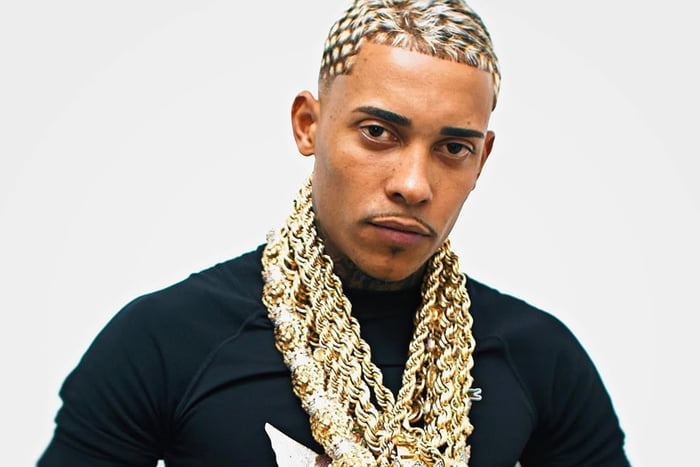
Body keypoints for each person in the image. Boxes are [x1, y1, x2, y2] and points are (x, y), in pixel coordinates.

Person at [39, 0, 630, 466]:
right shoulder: (164, 342)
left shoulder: (538, 357)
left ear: (482, 160)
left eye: (453, 148)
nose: (413, 184)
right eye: (378, 133)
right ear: (308, 125)